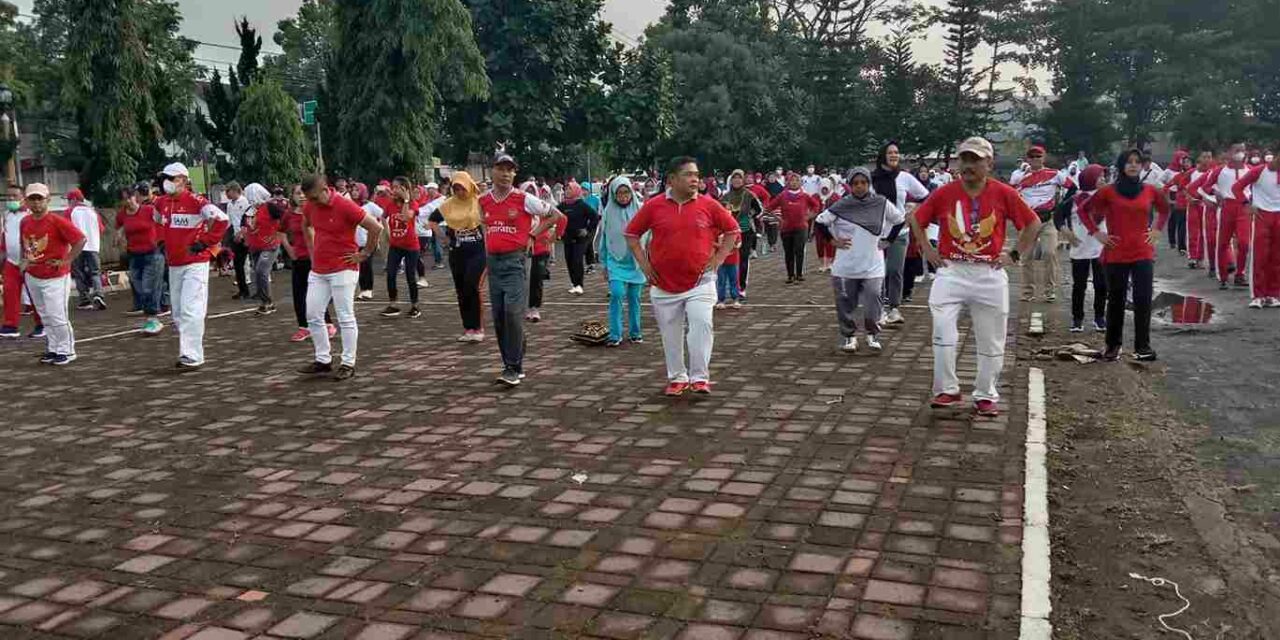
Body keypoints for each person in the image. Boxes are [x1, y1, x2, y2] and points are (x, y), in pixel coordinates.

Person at [909, 136, 1041, 417]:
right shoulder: (944, 192)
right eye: (964, 159)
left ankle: (985, 395)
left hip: (988, 273)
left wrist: (1015, 255)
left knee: (991, 338)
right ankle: (947, 390)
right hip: (951, 271)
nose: (968, 165)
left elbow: (1032, 224)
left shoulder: (1004, 193)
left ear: (989, 163)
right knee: (942, 332)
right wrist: (927, 249)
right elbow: (916, 219)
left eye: (975, 160)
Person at [626, 156, 740, 396]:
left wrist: (717, 261)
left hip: (701, 281)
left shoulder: (709, 205)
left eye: (696, 174)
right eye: (688, 174)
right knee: (670, 333)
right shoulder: (654, 205)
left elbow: (732, 230)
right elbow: (632, 234)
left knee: (702, 325)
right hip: (662, 284)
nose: (694, 179)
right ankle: (677, 377)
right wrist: (644, 266)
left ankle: (700, 377)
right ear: (671, 179)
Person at [480, 153, 564, 386]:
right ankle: (512, 358)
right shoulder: (483, 200)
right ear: (492, 171)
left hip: (515, 262)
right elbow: (481, 224)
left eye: (510, 169)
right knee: (498, 316)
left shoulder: (523, 198)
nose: (506, 173)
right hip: (493, 262)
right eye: (501, 168)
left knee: (512, 313)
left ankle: (513, 368)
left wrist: (532, 234)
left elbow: (555, 216)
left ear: (515, 174)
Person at [1079, 150, 1170, 361]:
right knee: (1116, 301)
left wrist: (1157, 229)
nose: (1133, 166)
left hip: (1143, 252)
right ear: (1121, 166)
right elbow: (1084, 210)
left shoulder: (1150, 190)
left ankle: (1143, 347)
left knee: (1143, 300)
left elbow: (1165, 209)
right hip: (1116, 253)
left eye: (1137, 162)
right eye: (1129, 162)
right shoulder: (1108, 192)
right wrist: (1096, 233)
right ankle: (1112, 346)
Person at [293, 175, 383, 379]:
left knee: (345, 316)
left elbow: (375, 227)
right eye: (309, 199)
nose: (312, 202)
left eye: (315, 198)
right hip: (319, 269)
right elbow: (305, 224)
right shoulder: (310, 205)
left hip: (344, 267)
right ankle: (323, 360)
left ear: (326, 189)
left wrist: (365, 253)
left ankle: (348, 363)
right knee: (313, 314)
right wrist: (312, 248)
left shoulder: (344, 205)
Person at [818, 167, 905, 353]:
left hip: (873, 263)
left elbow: (899, 220)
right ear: (850, 185)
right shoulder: (841, 205)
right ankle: (849, 336)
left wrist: (889, 240)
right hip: (846, 266)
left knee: (874, 298)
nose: (859, 187)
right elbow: (820, 222)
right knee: (845, 303)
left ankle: (872, 334)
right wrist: (833, 241)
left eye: (863, 183)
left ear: (869, 184)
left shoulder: (881, 203)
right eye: (855, 183)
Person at [154, 162, 230, 369]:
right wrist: (161, 240)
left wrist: (205, 241)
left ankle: (192, 354)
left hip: (195, 263)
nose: (166, 183)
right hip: (175, 264)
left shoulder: (197, 201)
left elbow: (222, 219)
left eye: (170, 178)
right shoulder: (161, 202)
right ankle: (187, 351)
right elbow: (157, 221)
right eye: (165, 179)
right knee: (177, 312)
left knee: (191, 309)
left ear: (183, 180)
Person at [18, 183, 86, 365]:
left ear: (47, 199)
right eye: (32, 199)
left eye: (39, 198)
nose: (36, 203)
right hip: (33, 274)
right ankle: (53, 348)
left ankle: (67, 350)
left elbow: (80, 239)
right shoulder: (25, 221)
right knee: (44, 315)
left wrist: (66, 260)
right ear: (26, 201)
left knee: (57, 315)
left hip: (56, 276)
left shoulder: (57, 221)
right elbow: (23, 244)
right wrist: (23, 260)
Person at [872, 142, 931, 324]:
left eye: (896, 152)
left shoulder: (904, 177)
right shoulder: (872, 178)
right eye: (890, 152)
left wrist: (912, 211)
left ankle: (894, 308)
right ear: (883, 155)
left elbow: (926, 196)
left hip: (899, 232)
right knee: (878, 271)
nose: (894, 155)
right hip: (876, 232)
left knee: (895, 270)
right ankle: (878, 308)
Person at [1010, 145, 1074, 303]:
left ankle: (1050, 291)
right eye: (1032, 157)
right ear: (1027, 159)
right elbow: (1010, 197)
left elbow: (1073, 187)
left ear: (1043, 158)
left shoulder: (1055, 174)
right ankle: (1027, 292)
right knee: (1026, 257)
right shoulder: (1019, 177)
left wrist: (1062, 207)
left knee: (1049, 253)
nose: (1035, 159)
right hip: (1029, 222)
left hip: (1048, 221)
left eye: (1038, 156)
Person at [428, 171, 487, 343]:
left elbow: (489, 221)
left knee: (472, 285)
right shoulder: (448, 204)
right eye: (456, 189)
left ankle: (478, 327)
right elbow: (432, 221)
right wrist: (444, 238)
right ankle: (468, 327)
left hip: (477, 252)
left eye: (462, 188)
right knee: (461, 289)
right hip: (457, 252)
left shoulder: (480, 202)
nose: (460, 192)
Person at [277, 185, 335, 342]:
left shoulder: (317, 211)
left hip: (317, 259)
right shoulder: (289, 214)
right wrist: (289, 249)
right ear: (292, 196)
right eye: (297, 193)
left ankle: (327, 322)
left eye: (304, 192)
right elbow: (280, 232)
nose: (301, 196)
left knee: (318, 294)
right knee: (299, 294)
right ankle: (304, 327)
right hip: (299, 259)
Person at [1057, 164, 1109, 332]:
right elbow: (1058, 216)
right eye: (1100, 176)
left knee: (1101, 285)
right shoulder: (1074, 200)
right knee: (1079, 286)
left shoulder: (1107, 198)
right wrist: (1067, 233)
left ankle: (1100, 318)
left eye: (1103, 176)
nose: (1103, 180)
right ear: (1090, 179)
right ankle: (1077, 319)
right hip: (1080, 249)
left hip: (1101, 248)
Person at [597, 175, 646, 345]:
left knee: (634, 297)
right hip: (615, 260)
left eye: (627, 193)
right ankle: (615, 335)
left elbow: (647, 235)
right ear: (613, 194)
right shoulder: (608, 213)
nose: (624, 197)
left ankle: (635, 332)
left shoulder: (640, 209)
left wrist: (647, 259)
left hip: (636, 261)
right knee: (616, 294)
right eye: (620, 193)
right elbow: (603, 239)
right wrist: (604, 263)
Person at [116, 183, 166, 335]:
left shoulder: (149, 210)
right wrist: (119, 236)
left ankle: (153, 319)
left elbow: (163, 221)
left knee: (148, 287)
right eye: (125, 199)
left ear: (135, 197)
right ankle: (154, 310)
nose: (129, 201)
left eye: (130, 197)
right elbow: (120, 228)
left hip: (152, 253)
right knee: (138, 287)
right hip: (134, 255)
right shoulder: (122, 215)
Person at [1231, 152, 1280, 308]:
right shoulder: (1259, 171)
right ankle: (1258, 295)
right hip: (1262, 216)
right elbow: (1237, 187)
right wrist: (1246, 204)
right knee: (1260, 256)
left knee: (1276, 257)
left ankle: (1273, 294)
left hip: (1278, 216)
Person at [1201, 143, 1250, 289]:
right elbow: (1205, 187)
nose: (1240, 153)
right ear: (1229, 152)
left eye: (1242, 150)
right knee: (1223, 243)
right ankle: (1222, 277)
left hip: (1243, 208)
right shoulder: (1219, 171)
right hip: (1226, 208)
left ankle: (1240, 274)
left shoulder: (1250, 170)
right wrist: (1215, 193)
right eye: (1236, 150)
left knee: (1244, 243)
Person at [1, 184, 42, 339]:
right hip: (11, 261)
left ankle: (41, 324)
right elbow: (5, 238)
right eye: (8, 196)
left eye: (15, 196)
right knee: (10, 293)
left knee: (35, 295)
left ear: (23, 198)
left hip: (30, 261)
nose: (11, 199)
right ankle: (10, 325)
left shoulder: (32, 215)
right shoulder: (7, 215)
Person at [767, 172, 821, 283]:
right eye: (792, 180)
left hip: (801, 227)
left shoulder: (805, 196)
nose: (794, 182)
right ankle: (790, 275)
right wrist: (778, 219)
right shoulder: (782, 195)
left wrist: (809, 216)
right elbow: (769, 207)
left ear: (801, 182)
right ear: (787, 182)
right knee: (788, 252)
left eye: (797, 180)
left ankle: (799, 274)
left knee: (799, 250)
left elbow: (816, 206)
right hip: (786, 228)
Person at [382, 176, 424, 319]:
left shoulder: (413, 203)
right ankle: (393, 304)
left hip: (411, 246)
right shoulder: (390, 204)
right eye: (392, 187)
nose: (393, 190)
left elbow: (406, 217)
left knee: (410, 276)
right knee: (391, 274)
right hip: (395, 245)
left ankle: (415, 306)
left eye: (396, 187)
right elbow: (383, 217)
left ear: (404, 188)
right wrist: (387, 231)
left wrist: (406, 200)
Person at [523, 180, 564, 323]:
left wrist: (555, 237)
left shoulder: (543, 208)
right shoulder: (518, 210)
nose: (529, 194)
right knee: (521, 280)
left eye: (532, 191)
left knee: (536, 279)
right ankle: (520, 307)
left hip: (541, 249)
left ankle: (534, 308)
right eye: (526, 191)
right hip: (521, 250)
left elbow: (562, 219)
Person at [241, 183, 280, 316]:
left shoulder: (270, 207)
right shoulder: (249, 210)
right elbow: (244, 225)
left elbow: (285, 219)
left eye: (252, 197)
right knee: (259, 273)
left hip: (270, 246)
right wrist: (244, 236)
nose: (251, 200)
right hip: (255, 246)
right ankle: (267, 302)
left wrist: (276, 234)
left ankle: (266, 302)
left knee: (261, 271)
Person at [722, 170, 763, 295]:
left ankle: (741, 288)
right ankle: (727, 288)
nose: (737, 181)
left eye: (739, 178)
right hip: (729, 233)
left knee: (743, 258)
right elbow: (719, 213)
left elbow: (759, 210)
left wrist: (750, 215)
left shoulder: (749, 195)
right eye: (734, 178)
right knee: (727, 260)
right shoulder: (725, 197)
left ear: (743, 180)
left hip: (745, 231)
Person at [66, 189, 106, 311]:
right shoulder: (93, 212)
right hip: (93, 245)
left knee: (79, 273)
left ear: (74, 199)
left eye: (68, 200)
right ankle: (98, 294)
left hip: (77, 246)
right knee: (95, 272)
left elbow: (66, 229)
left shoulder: (70, 212)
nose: (68, 203)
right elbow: (101, 229)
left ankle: (84, 300)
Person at [560, 180, 598, 295]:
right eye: (566, 189)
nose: (567, 191)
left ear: (576, 191)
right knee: (569, 261)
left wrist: (587, 229)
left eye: (569, 189)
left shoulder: (582, 205)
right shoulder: (562, 205)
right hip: (567, 238)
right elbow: (553, 216)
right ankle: (574, 284)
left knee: (577, 260)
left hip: (580, 238)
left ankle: (579, 284)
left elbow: (595, 217)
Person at [1185, 151, 1218, 272]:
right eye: (1204, 157)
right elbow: (1183, 186)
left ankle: (1201, 258)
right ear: (1199, 158)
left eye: (1209, 157)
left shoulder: (1214, 172)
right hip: (1193, 205)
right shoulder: (1192, 173)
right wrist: (1189, 197)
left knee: (1205, 233)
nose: (1207, 160)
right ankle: (1192, 257)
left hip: (1206, 205)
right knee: (1194, 231)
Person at [352, 183, 383, 300]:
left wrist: (380, 230)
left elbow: (383, 214)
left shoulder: (370, 206)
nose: (354, 192)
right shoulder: (350, 205)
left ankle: (368, 289)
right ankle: (362, 289)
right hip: (355, 242)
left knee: (366, 265)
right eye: (353, 190)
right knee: (358, 266)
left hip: (368, 241)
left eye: (357, 190)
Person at [223, 181, 253, 300]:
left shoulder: (245, 202)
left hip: (244, 236)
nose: (226, 194)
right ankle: (243, 290)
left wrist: (241, 233)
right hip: (235, 236)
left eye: (228, 191)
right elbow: (229, 221)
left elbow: (247, 220)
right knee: (237, 264)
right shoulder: (230, 205)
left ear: (235, 190)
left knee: (241, 263)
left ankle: (245, 290)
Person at [1161, 151, 1191, 255]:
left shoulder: (1195, 174)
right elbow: (1165, 186)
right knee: (1180, 224)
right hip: (1180, 202)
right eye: (1184, 161)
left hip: (1193, 203)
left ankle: (1191, 247)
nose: (1186, 164)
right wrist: (1169, 200)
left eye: (1188, 161)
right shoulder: (1177, 175)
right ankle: (1180, 246)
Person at [813, 179, 839, 273]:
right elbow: (812, 208)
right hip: (819, 224)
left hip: (831, 224)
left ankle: (830, 263)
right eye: (823, 188)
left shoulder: (835, 196)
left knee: (830, 243)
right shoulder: (816, 196)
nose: (824, 190)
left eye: (826, 188)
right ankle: (822, 264)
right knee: (819, 244)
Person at [421, 182, 445, 271]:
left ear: (434, 189)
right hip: (434, 224)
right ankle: (438, 261)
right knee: (434, 243)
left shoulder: (440, 199)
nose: (427, 191)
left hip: (440, 224)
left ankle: (439, 262)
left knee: (437, 243)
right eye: (427, 189)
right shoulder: (430, 199)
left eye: (429, 189)